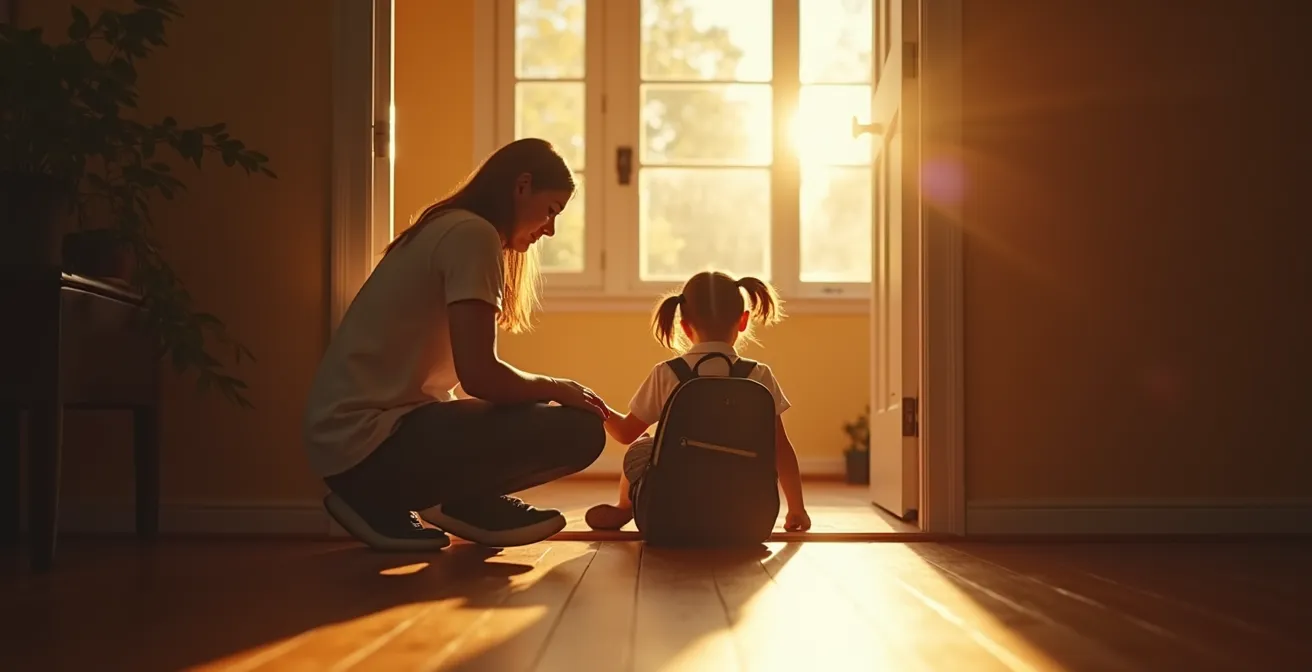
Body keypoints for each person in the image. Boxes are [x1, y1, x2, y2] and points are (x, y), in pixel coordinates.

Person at [303, 138, 610, 552]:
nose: (550, 229)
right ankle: (384, 499)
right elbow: (481, 376)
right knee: (579, 429)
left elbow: (475, 380)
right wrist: (558, 388)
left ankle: (463, 500)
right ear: (522, 186)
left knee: (550, 415)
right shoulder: (472, 235)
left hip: (364, 440)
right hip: (366, 445)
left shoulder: (452, 227)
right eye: (551, 210)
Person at [584, 270, 812, 534]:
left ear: (684, 325)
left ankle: (625, 507)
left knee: (642, 442)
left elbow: (625, 433)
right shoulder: (758, 375)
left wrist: (597, 406)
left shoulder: (667, 373)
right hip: (746, 515)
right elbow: (780, 448)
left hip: (673, 510)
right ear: (743, 320)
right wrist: (797, 509)